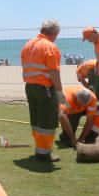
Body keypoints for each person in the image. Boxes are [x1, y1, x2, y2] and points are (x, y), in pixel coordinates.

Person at [20, 19, 66, 163]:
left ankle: (40, 148)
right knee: (47, 121)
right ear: (54, 33)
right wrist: (59, 91)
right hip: (45, 88)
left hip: (30, 87)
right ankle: (44, 153)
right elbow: (54, 73)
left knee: (36, 119)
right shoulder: (49, 47)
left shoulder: (28, 44)